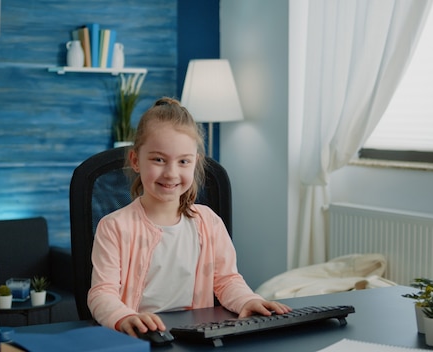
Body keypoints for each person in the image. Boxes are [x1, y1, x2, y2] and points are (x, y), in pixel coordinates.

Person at [88, 97, 291, 337]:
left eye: (183, 161)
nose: (171, 173)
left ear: (194, 163)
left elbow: (227, 281)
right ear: (135, 160)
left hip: (195, 337)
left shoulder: (209, 222)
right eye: (158, 159)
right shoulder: (114, 227)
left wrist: (247, 300)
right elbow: (102, 293)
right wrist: (124, 318)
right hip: (140, 339)